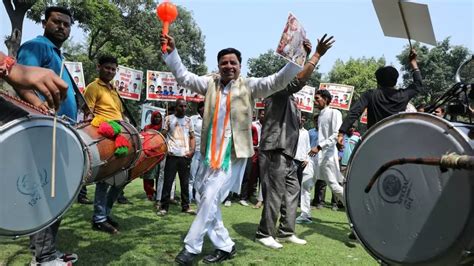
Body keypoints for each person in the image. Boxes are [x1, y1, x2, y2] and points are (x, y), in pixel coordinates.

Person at [160, 32, 302, 265]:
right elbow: (183, 76)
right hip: (208, 155)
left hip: (233, 155)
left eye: (232, 63)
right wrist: (172, 53)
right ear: (218, 66)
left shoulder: (250, 87)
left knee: (210, 197)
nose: (228, 66)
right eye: (224, 63)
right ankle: (226, 246)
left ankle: (191, 248)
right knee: (203, 197)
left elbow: (278, 80)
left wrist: (296, 59)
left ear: (239, 66)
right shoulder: (209, 84)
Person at [255, 35, 334, 250]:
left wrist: (305, 55)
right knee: (274, 192)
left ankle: (286, 231)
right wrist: (316, 55)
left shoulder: (289, 98)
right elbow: (297, 81)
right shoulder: (276, 89)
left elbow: (297, 78)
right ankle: (265, 233)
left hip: (288, 153)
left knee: (292, 190)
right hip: (275, 149)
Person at [16, 6, 79, 266]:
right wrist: (38, 106)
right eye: (57, 22)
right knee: (48, 193)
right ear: (44, 22)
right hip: (44, 130)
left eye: (66, 24)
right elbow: (21, 81)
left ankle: (46, 251)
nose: (62, 27)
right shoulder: (37, 46)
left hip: (60, 131)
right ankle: (42, 257)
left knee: (56, 193)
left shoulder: (56, 53)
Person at [338, 49, 422, 141]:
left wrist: (341, 133)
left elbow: (354, 113)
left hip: (374, 141)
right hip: (396, 142)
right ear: (395, 81)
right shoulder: (403, 95)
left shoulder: (370, 95)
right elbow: (418, 85)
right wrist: (413, 63)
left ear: (378, 82)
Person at [83, 55, 126, 235]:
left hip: (121, 136)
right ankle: (99, 219)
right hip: (105, 137)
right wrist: (106, 128)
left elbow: (118, 113)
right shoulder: (93, 88)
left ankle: (105, 213)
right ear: (99, 67)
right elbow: (87, 115)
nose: (110, 71)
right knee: (104, 181)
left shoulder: (114, 90)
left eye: (113, 69)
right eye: (107, 68)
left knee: (122, 178)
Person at [157, 98, 196, 216]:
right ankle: (164, 207)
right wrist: (164, 149)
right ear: (176, 106)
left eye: (185, 106)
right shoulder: (168, 119)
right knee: (168, 182)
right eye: (181, 106)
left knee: (184, 183)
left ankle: (186, 207)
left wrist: (192, 150)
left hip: (185, 156)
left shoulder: (189, 120)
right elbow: (162, 135)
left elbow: (192, 137)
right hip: (172, 156)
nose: (183, 108)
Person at [309, 90, 345, 205]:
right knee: (306, 183)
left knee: (334, 187)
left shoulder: (335, 113)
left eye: (317, 98)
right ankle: (305, 213)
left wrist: (319, 147)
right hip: (318, 157)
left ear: (326, 99)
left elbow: (336, 134)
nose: (315, 102)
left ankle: (354, 206)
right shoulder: (320, 116)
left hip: (328, 157)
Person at [142, 110, 163, 200]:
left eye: (159, 117)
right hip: (149, 155)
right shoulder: (147, 128)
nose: (157, 119)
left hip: (161, 155)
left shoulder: (163, 128)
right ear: (152, 118)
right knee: (148, 177)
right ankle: (150, 193)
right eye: (155, 116)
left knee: (160, 176)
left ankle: (159, 193)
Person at [189, 101, 204, 203]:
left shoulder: (211, 119)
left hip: (205, 152)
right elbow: (189, 134)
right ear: (199, 109)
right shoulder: (193, 119)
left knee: (200, 177)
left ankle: (198, 198)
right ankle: (189, 198)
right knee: (191, 177)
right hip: (195, 150)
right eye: (204, 107)